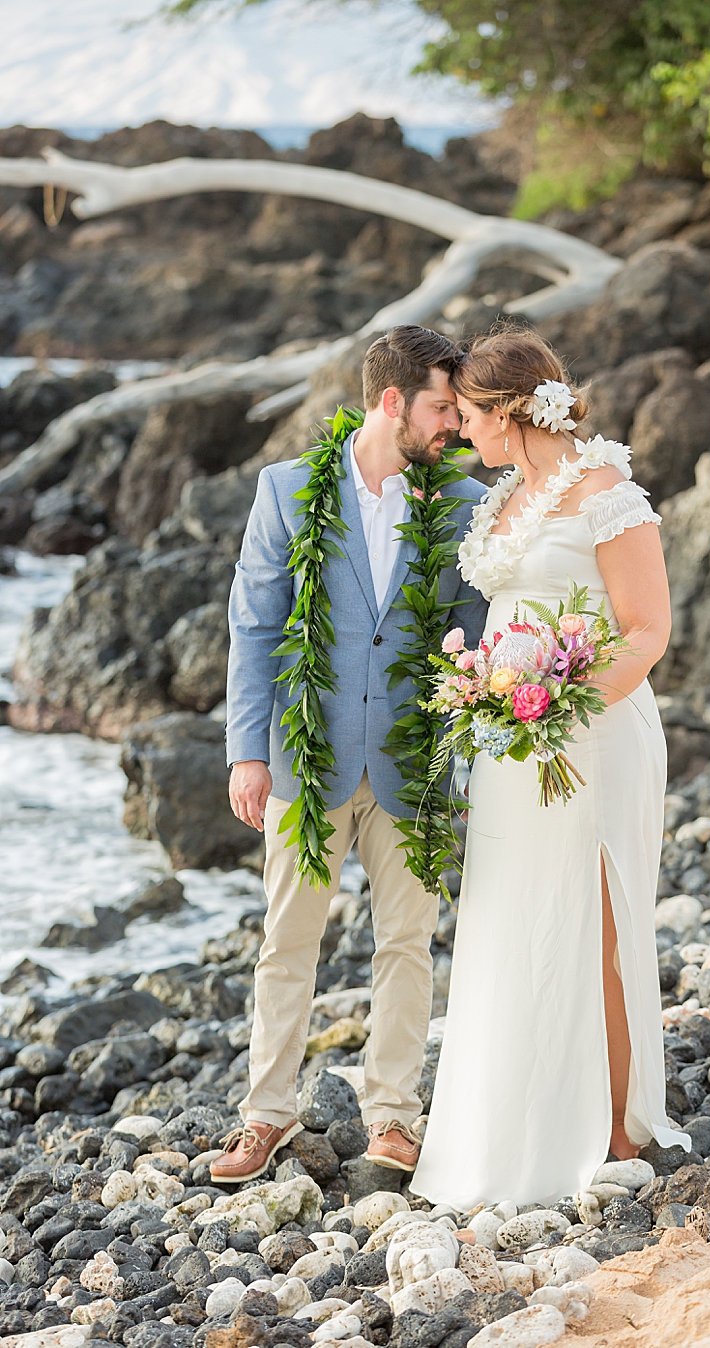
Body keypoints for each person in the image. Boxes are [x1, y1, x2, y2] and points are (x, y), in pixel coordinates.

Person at [411, 329, 692, 1209]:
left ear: (508, 413)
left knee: (596, 925)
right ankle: (511, 1130)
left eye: (468, 417)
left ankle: (613, 1129)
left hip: (594, 735)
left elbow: (647, 630)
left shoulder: (610, 496)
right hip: (511, 744)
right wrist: (494, 701)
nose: (460, 432)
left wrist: (562, 705)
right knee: (512, 922)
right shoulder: (505, 499)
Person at [216, 324, 488, 1183]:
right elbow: (254, 626)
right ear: (392, 401)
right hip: (307, 759)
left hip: (414, 764)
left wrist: (473, 730)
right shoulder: (288, 490)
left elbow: (475, 629)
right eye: (444, 406)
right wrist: (247, 753)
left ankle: (393, 1117)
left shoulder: (466, 506)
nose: (456, 423)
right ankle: (265, 1117)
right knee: (286, 944)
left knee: (407, 944)